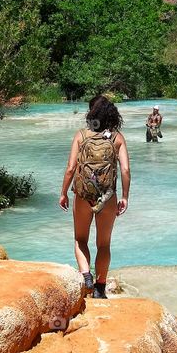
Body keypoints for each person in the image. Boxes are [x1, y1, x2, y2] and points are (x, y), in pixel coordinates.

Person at [59, 94, 130, 299]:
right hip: (108, 197)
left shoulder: (81, 135)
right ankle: (100, 288)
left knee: (80, 239)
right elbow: (125, 170)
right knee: (104, 244)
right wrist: (125, 197)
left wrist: (63, 192)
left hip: (83, 195)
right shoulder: (117, 138)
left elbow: (71, 168)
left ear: (91, 114)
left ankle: (86, 275)